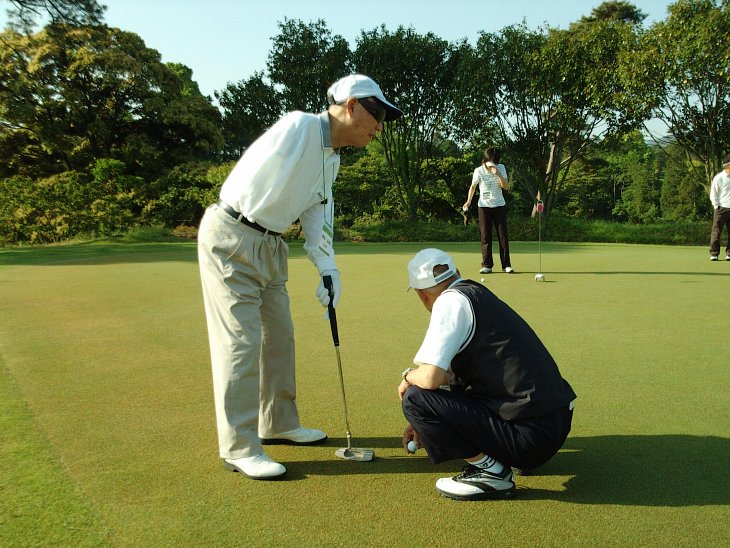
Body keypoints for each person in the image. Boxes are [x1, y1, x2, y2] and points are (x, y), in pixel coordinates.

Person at [198, 74, 403, 480]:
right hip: (234, 236)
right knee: (241, 344)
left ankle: (277, 422)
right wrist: (254, 237)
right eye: (377, 114)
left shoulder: (333, 160)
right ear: (351, 105)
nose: (379, 127)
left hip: (271, 245)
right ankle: (238, 446)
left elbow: (317, 215)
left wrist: (327, 268)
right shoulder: (300, 126)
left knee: (280, 337)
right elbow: (254, 183)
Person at [398, 248, 576, 500]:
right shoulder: (477, 294)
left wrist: (407, 377)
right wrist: (425, 421)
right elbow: (450, 380)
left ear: (421, 294)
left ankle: (493, 474)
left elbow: (430, 378)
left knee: (415, 398)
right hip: (552, 425)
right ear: (457, 273)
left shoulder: (449, 302)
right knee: (428, 397)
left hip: (531, 436)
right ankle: (508, 457)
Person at [463, 147, 514, 274]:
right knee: (485, 236)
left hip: (499, 206)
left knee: (503, 236)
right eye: (491, 161)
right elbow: (473, 187)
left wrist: (498, 174)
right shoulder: (478, 170)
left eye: (495, 161)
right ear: (485, 160)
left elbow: (506, 187)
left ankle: (506, 265)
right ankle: (487, 265)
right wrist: (468, 201)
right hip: (484, 207)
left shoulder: (501, 167)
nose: (493, 163)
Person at [709, 154, 730, 261]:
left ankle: (729, 254)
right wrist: (716, 206)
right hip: (721, 208)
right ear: (728, 165)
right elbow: (713, 193)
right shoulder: (719, 177)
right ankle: (714, 253)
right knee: (716, 232)